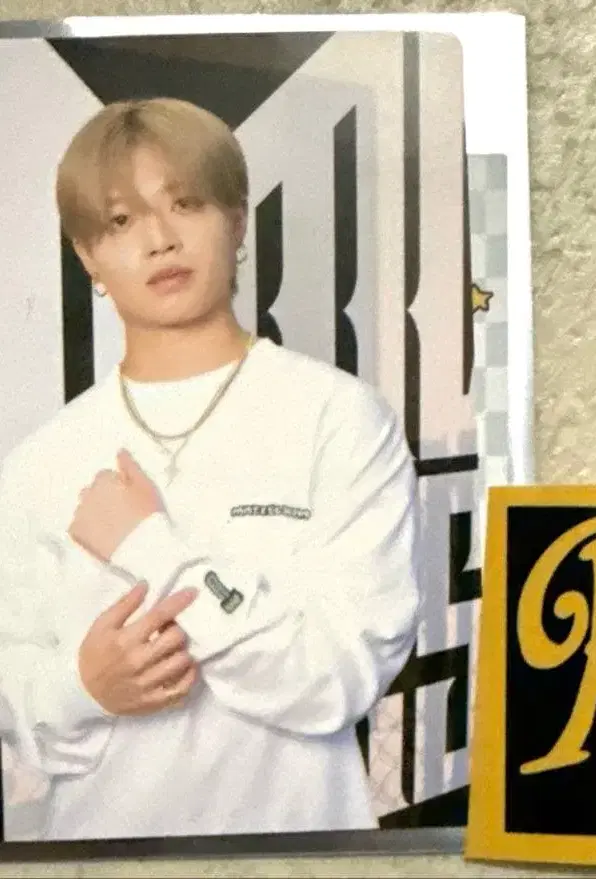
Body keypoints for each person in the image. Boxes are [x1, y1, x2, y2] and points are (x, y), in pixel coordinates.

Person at [0, 96, 421, 841]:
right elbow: (11, 688)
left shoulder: (339, 418)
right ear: (88, 256)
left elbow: (339, 679)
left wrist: (150, 549)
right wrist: (83, 687)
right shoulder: (43, 460)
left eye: (186, 203)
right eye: (121, 221)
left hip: (302, 852)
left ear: (236, 220)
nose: (160, 240)